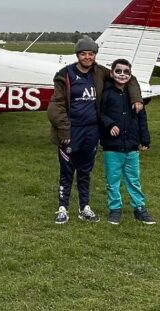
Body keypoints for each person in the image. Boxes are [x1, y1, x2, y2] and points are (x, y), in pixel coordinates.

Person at [47, 37, 142, 225]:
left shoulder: (99, 72)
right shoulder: (64, 75)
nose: (87, 57)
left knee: (85, 170)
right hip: (72, 130)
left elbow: (127, 77)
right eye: (83, 54)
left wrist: (136, 98)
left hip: (92, 131)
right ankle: (63, 208)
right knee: (67, 170)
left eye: (91, 54)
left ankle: (84, 208)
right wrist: (64, 132)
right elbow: (55, 106)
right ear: (77, 55)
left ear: (95, 55)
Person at [99, 58, 156, 225]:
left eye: (126, 72)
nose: (122, 75)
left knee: (134, 180)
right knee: (113, 180)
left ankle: (140, 208)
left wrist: (145, 139)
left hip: (131, 146)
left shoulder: (136, 99)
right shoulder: (107, 94)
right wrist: (109, 124)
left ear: (130, 75)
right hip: (112, 146)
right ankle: (115, 209)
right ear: (112, 73)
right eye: (118, 71)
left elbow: (142, 119)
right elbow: (100, 114)